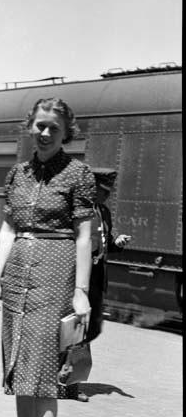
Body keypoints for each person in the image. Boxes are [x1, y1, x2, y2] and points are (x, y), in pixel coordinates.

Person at [0, 96, 96, 417]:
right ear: (29, 127)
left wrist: (80, 290)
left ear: (66, 132)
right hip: (17, 278)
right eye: (40, 125)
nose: (45, 133)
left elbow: (84, 235)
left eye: (54, 127)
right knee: (21, 370)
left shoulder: (78, 174)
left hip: (56, 274)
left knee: (46, 372)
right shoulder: (17, 174)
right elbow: (8, 230)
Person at [73, 168, 131, 402]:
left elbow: (106, 240)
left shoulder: (103, 211)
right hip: (80, 278)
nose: (106, 196)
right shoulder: (79, 211)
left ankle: (68, 377)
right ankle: (70, 384)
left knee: (93, 328)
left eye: (108, 192)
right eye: (102, 191)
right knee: (77, 330)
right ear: (92, 188)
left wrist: (117, 241)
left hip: (97, 277)